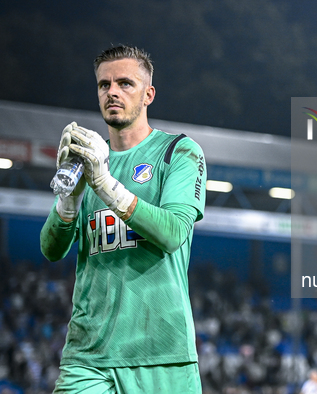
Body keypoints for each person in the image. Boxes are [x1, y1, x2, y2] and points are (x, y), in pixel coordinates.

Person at [40, 45, 206, 393]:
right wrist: (69, 198)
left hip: (162, 355)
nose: (112, 92)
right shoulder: (88, 158)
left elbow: (174, 232)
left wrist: (105, 183)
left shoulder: (179, 151)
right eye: (104, 85)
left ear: (149, 94)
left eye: (125, 84)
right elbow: (51, 249)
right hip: (88, 357)